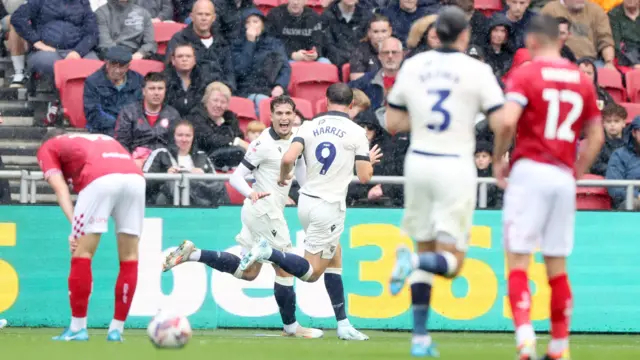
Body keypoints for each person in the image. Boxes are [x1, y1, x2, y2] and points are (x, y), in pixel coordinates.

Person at [384, 6, 505, 357]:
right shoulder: (478, 70)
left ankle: (419, 336)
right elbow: (501, 124)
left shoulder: (413, 66)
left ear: (436, 33)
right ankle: (414, 266)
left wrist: (422, 120)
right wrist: (497, 156)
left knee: (423, 243)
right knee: (452, 262)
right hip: (454, 165)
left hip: (419, 161)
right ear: (465, 34)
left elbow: (393, 121)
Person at [491, 15, 604, 360]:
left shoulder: (526, 73)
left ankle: (525, 338)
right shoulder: (580, 78)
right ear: (561, 38)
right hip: (561, 176)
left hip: (530, 171)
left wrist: (499, 159)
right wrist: (576, 172)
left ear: (534, 41)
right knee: (557, 266)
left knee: (518, 261)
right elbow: (595, 136)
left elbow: (508, 120)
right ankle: (559, 346)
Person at [162, 96, 323, 338]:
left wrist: (310, 194)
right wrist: (251, 193)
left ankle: (193, 254)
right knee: (285, 267)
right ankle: (291, 327)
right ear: (271, 115)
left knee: (249, 273)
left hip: (264, 211)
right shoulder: (262, 144)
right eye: (279, 113)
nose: (284, 118)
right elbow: (236, 177)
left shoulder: (297, 139)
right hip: (263, 210)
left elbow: (299, 170)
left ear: (294, 115)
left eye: (288, 113)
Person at [239, 84, 381, 341]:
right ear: (351, 105)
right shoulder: (357, 131)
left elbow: (287, 159)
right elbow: (363, 176)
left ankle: (343, 323)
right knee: (312, 273)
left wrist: (284, 179)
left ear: (326, 101)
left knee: (335, 255)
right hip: (329, 206)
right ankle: (269, 252)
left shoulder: (308, 126)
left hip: (306, 201)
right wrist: (367, 161)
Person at [36, 130, 146, 342]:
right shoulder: (96, 139)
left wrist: (75, 228)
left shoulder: (48, 146)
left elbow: (60, 189)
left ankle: (78, 327)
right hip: (135, 179)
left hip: (100, 178)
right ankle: (116, 330)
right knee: (130, 257)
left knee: (82, 252)